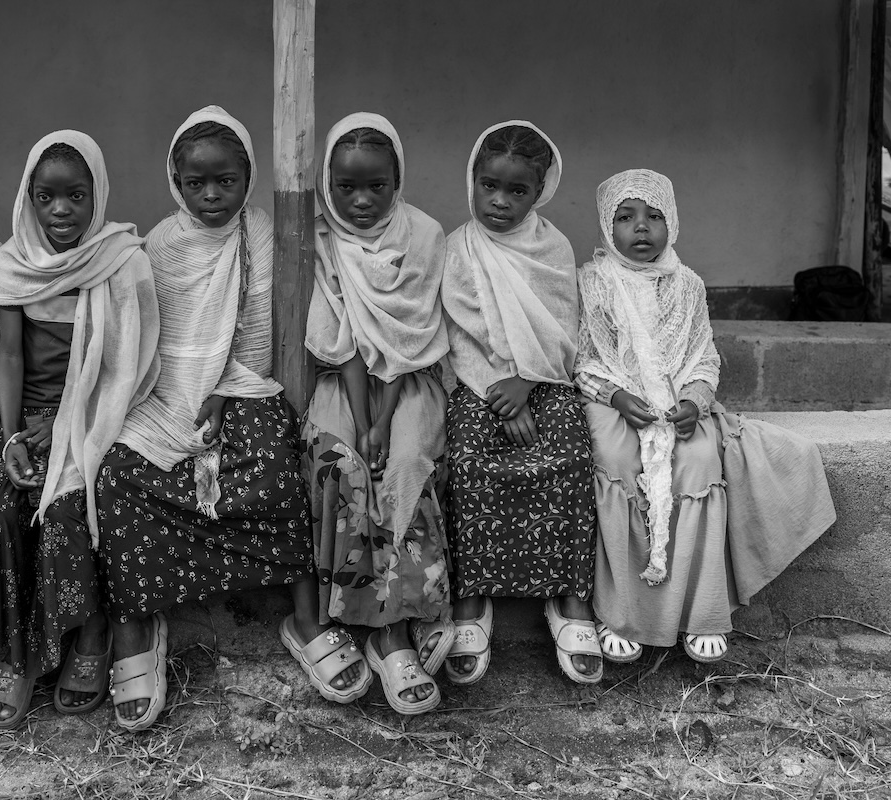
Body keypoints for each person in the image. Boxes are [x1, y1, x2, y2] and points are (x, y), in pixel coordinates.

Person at [96, 106, 371, 732]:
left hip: (244, 387)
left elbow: (256, 336)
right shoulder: (163, 243)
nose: (212, 194)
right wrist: (178, 399)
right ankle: (139, 624)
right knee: (118, 477)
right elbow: (149, 338)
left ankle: (305, 620)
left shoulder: (260, 235)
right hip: (165, 395)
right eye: (197, 183)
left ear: (249, 177)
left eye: (227, 180)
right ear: (175, 180)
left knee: (275, 472)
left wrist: (223, 389)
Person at [577, 169, 837, 664]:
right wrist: (615, 397)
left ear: (671, 223)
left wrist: (694, 402)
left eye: (654, 217)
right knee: (615, 457)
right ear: (606, 226)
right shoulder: (591, 282)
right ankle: (619, 612)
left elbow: (703, 355)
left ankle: (703, 612)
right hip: (614, 402)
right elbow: (582, 358)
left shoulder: (688, 284)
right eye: (626, 217)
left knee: (698, 461)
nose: (641, 228)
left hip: (677, 405)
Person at [0, 131, 160, 729]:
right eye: (46, 197)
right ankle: (17, 651)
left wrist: (64, 426)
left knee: (66, 509)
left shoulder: (122, 260)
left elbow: (127, 369)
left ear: (97, 194)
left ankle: (89, 635)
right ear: (28, 199)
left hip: (97, 414)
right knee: (6, 506)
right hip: (26, 423)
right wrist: (11, 437)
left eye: (75, 196)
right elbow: (8, 359)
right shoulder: (14, 261)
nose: (60, 212)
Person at [441, 122, 602, 687]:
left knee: (572, 457)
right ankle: (473, 597)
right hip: (477, 381)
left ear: (539, 193)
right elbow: (461, 333)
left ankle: (568, 597)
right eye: (489, 186)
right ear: (473, 182)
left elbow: (562, 329)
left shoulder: (553, 248)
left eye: (517, 192)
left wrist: (528, 383)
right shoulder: (457, 248)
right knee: (465, 461)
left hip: (545, 381)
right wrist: (499, 389)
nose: (500, 202)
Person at [304, 113, 452, 715]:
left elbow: (406, 340)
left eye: (377, 187)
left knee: (407, 461)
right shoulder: (324, 240)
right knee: (343, 462)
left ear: (398, 182)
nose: (361, 201)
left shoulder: (423, 235)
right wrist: (364, 425)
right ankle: (352, 617)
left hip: (411, 382)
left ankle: (397, 627)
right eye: (346, 187)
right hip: (346, 382)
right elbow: (346, 346)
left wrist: (384, 423)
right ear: (327, 185)